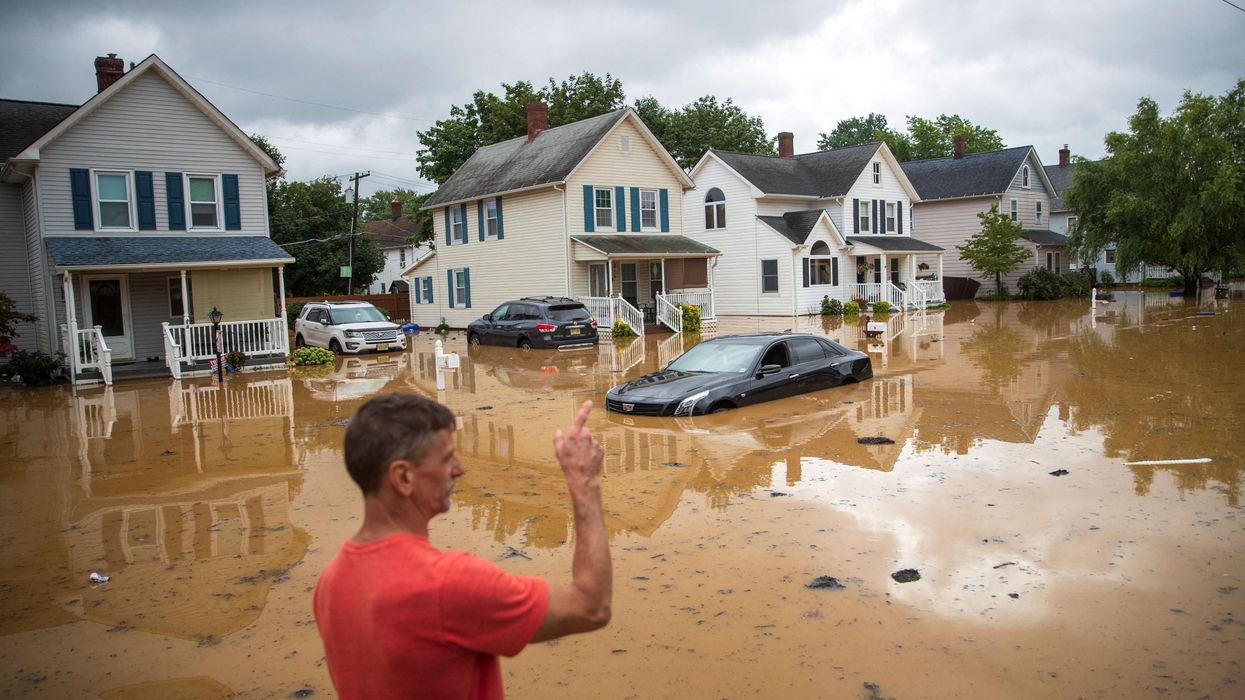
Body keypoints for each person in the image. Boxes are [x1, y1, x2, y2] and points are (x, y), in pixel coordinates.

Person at [314, 394, 611, 699]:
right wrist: (583, 483)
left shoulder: (330, 582)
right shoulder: (449, 583)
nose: (460, 469)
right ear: (403, 477)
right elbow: (591, 606)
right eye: (447, 459)